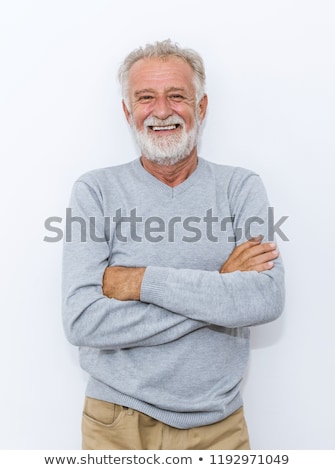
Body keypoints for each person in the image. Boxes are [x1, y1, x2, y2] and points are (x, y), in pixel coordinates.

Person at [62, 39, 285, 450]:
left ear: (200, 107)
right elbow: (83, 322)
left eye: (176, 96)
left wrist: (141, 282)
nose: (161, 111)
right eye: (145, 97)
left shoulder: (241, 187)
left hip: (218, 424)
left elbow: (265, 300)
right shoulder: (95, 191)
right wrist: (219, 284)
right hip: (115, 422)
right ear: (128, 111)